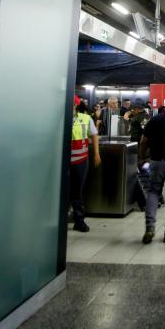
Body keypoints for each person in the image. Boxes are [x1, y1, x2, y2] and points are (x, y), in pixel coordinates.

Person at [140, 95, 165, 244]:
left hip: (156, 162)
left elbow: (144, 141)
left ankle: (150, 227)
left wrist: (142, 157)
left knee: (153, 192)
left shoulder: (155, 119)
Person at [70, 96, 100, 232]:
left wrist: (96, 154)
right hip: (61, 161)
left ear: (76, 105)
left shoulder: (85, 118)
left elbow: (94, 135)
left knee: (77, 191)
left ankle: (79, 220)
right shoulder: (57, 118)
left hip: (80, 161)